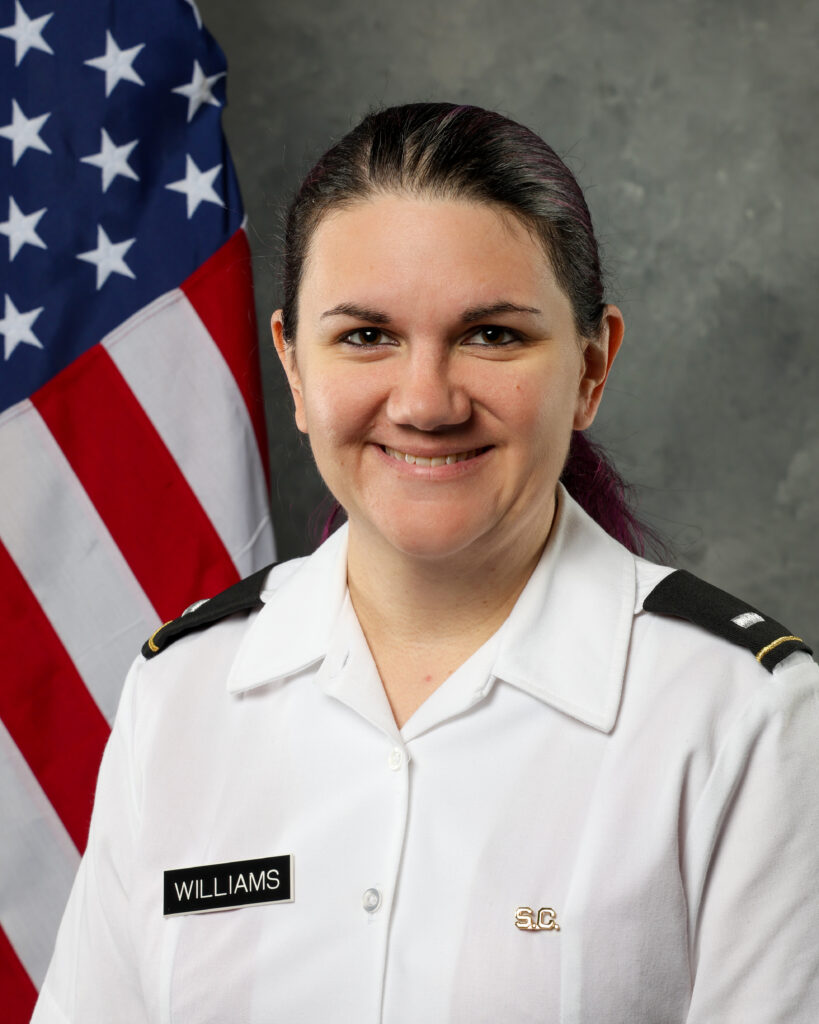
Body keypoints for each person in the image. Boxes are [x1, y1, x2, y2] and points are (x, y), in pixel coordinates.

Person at [32, 103, 819, 1023]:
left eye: (492, 335)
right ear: (292, 366)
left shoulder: (746, 720)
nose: (425, 401)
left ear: (592, 367)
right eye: (366, 336)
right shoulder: (185, 690)